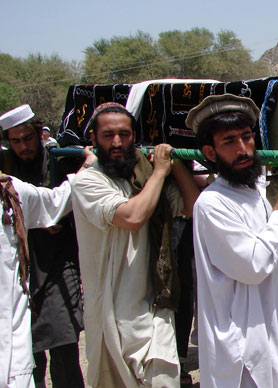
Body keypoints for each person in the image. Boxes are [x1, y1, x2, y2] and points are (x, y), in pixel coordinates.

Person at [189, 94, 278, 388]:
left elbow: (266, 243)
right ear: (210, 152)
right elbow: (252, 265)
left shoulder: (256, 189)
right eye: (229, 141)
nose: (243, 148)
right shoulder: (212, 204)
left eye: (247, 137)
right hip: (245, 339)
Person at [71, 102, 198, 387]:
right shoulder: (88, 183)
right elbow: (133, 216)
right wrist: (160, 173)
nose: (117, 142)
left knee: (164, 379)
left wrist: (175, 165)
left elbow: (193, 207)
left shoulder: (142, 181)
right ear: (93, 139)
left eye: (124, 134)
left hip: (154, 302)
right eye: (108, 135)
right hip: (112, 308)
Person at [0, 105, 93, 388]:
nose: (23, 146)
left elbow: (63, 200)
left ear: (40, 135)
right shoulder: (8, 177)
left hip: (57, 264)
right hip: (22, 272)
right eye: (15, 141)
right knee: (29, 349)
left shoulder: (61, 161)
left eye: (27, 138)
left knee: (64, 343)